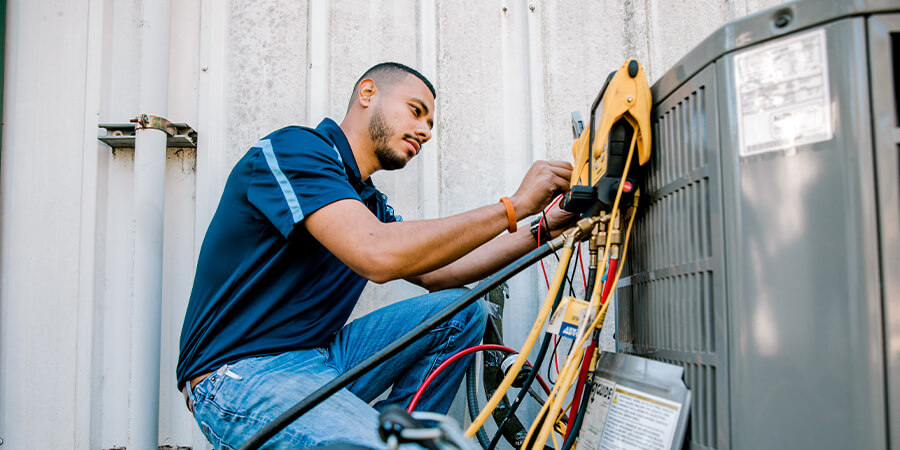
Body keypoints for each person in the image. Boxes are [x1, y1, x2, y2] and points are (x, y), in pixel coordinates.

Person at [177, 62, 574, 449]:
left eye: (430, 125)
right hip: (240, 375)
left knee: (463, 311)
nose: (424, 130)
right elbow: (376, 253)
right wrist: (514, 206)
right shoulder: (295, 151)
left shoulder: (366, 201)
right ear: (368, 93)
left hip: (320, 360)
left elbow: (440, 273)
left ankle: (393, 434)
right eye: (416, 112)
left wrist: (543, 229)